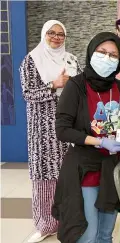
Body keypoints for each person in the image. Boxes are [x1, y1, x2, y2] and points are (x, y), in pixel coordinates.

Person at [52, 32, 120, 243]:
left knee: (105, 234)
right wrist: (99, 141)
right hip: (84, 170)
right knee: (88, 234)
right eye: (102, 52)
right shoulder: (75, 86)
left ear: (119, 61)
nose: (107, 58)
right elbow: (62, 130)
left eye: (113, 55)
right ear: (91, 52)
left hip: (112, 170)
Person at [19, 20, 81, 243]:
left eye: (61, 34)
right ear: (44, 34)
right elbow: (27, 94)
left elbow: (81, 89)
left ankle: (67, 221)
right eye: (52, 33)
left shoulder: (71, 59)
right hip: (42, 130)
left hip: (67, 126)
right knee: (44, 176)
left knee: (67, 176)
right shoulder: (31, 60)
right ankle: (45, 224)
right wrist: (52, 85)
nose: (56, 37)